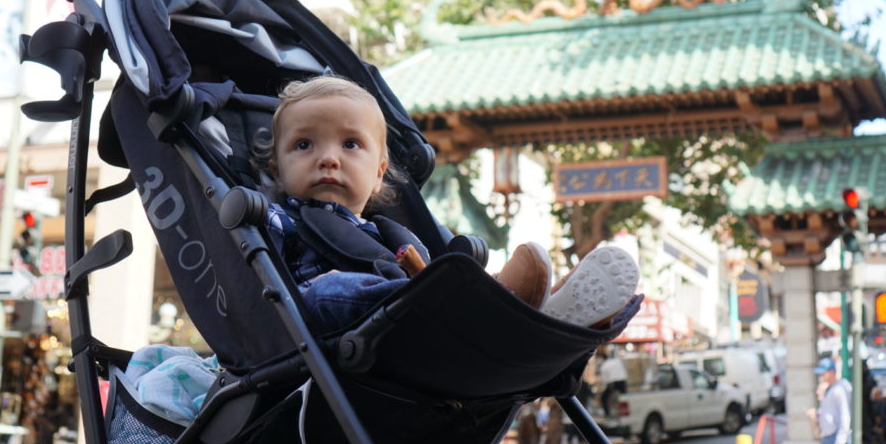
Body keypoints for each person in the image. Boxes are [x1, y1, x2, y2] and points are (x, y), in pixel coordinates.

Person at [265, 75, 640, 335]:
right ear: (276, 171)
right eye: (304, 145)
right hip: (318, 322)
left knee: (442, 272)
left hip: (405, 330)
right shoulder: (277, 219)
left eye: (350, 145)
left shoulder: (386, 233)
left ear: (379, 173)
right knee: (326, 292)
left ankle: (528, 313)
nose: (328, 158)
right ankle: (496, 310)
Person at [809, 357, 851, 444]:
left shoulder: (839, 389)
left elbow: (845, 415)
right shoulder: (830, 388)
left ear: (832, 372)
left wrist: (840, 441)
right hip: (828, 436)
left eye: (823, 373)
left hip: (835, 436)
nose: (821, 377)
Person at [598, 349, 628, 417]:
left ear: (602, 359)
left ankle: (608, 414)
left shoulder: (604, 366)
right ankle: (624, 414)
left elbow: (605, 381)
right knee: (624, 398)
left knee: (604, 398)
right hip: (623, 381)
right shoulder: (616, 361)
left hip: (613, 383)